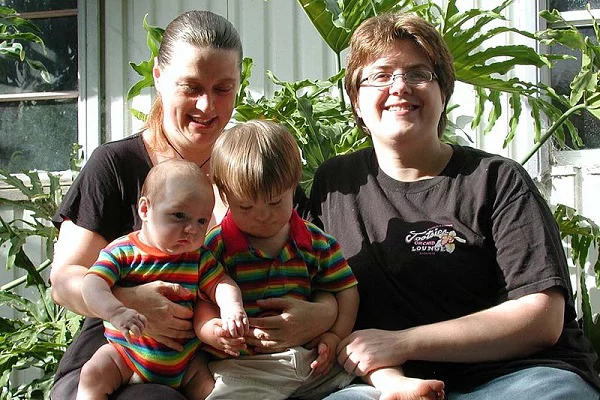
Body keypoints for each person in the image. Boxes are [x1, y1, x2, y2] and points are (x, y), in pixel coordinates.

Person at [308, 12, 600, 400]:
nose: (400, 87)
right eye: (380, 75)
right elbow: (296, 274)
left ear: (443, 93)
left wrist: (404, 342)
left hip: (517, 378)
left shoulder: (496, 180)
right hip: (391, 385)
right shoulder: (335, 185)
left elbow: (541, 317)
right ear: (356, 102)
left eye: (418, 74)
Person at [50, 10, 337, 400]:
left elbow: (318, 265)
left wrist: (322, 314)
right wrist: (128, 302)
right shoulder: (116, 165)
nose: (207, 105)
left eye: (223, 88)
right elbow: (64, 280)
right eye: (191, 87)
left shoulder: (255, 167)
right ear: (158, 77)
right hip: (121, 361)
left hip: (233, 374)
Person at [195, 119, 360, 399]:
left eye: (275, 202)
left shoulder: (316, 242)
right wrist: (212, 331)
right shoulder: (217, 246)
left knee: (363, 375)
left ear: (293, 187)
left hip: (310, 363)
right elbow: (201, 300)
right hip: (245, 369)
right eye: (246, 206)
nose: (262, 215)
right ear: (224, 196)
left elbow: (346, 290)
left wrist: (335, 336)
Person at [76, 160, 248, 399]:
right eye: (179, 216)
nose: (192, 229)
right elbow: (92, 284)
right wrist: (116, 311)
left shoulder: (198, 257)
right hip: (127, 355)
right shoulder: (123, 251)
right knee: (93, 375)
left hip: (187, 363)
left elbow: (221, 283)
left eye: (201, 221)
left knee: (217, 392)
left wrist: (232, 308)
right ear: (145, 209)